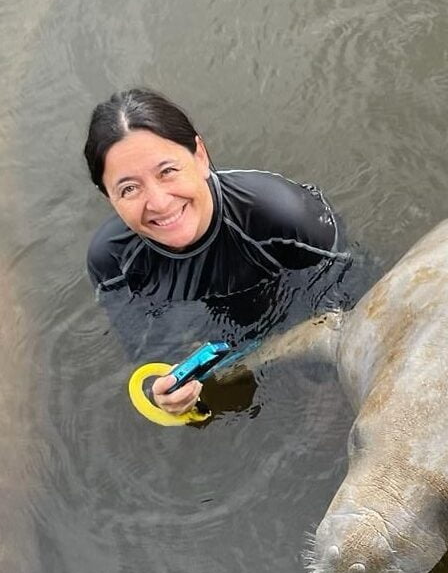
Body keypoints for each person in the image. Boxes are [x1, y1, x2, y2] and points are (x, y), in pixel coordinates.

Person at [84, 88, 348, 416]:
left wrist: (323, 382)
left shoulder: (284, 217)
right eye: (129, 188)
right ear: (107, 196)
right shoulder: (112, 260)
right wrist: (163, 392)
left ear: (199, 156)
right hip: (212, 330)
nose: (160, 203)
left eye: (167, 171)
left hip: (288, 293)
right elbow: (146, 351)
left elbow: (345, 302)